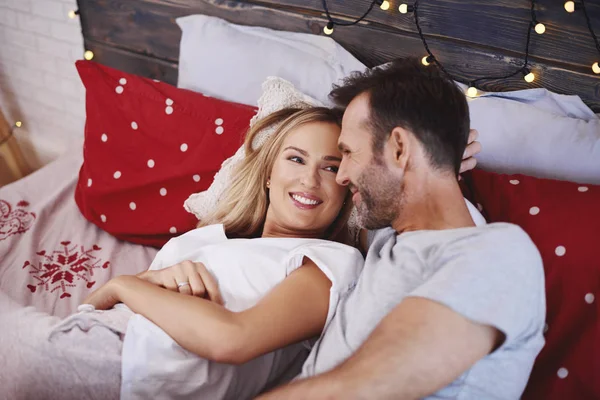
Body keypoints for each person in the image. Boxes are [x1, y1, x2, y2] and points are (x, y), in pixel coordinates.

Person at [258, 58, 546, 399]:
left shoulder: (497, 255)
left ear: (399, 148)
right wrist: (440, 156)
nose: (342, 175)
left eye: (349, 153)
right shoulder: (386, 234)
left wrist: (433, 161)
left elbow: (358, 389)